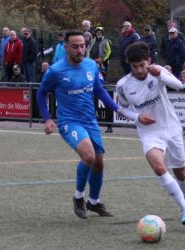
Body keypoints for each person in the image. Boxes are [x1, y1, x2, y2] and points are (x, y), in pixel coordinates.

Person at [37, 31, 122, 219]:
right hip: (69, 122)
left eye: (82, 45)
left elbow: (99, 90)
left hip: (90, 121)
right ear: (65, 47)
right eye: (75, 46)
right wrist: (47, 118)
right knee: (89, 156)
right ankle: (78, 197)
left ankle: (93, 202)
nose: (80, 50)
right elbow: (41, 93)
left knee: (99, 162)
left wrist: (117, 108)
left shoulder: (92, 65)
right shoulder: (55, 71)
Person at [116, 41, 185, 225]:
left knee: (181, 171)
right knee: (159, 167)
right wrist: (137, 117)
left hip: (171, 128)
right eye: (134, 67)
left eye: (142, 65)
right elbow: (122, 108)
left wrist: (162, 76)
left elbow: (178, 85)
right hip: (149, 133)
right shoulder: (123, 85)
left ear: (149, 61)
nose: (139, 70)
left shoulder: (157, 71)